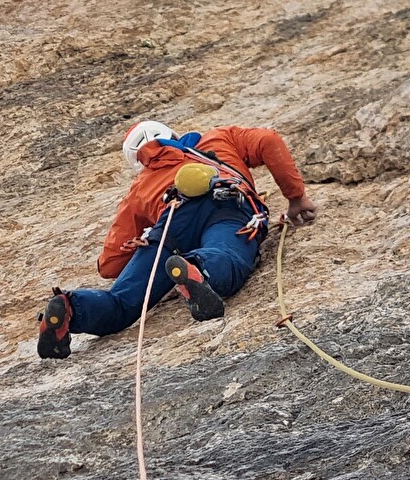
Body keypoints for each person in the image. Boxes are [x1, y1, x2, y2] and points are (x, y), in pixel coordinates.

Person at [37, 120, 317, 359]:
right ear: (171, 134)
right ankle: (196, 269)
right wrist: (295, 197)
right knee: (225, 254)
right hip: (227, 204)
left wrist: (138, 249)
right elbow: (268, 140)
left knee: (121, 303)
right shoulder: (218, 138)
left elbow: (109, 265)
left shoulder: (141, 186)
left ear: (138, 161)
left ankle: (72, 307)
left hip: (170, 224)